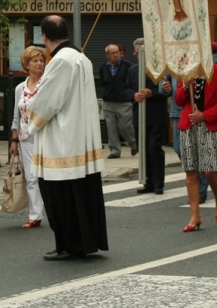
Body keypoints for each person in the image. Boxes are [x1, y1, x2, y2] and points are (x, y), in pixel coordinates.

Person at [27, 15, 108, 259]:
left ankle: (70, 244)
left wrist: (31, 121)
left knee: (59, 195)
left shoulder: (61, 61)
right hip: (79, 136)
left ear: (44, 37)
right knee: (79, 193)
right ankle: (83, 241)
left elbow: (48, 102)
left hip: (61, 140)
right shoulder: (81, 57)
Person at [175, 62, 217, 232]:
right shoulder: (185, 70)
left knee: (209, 170)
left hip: (209, 124)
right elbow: (179, 100)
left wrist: (205, 115)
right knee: (191, 171)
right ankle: (195, 215)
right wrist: (185, 86)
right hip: (189, 123)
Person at [127, 38, 172, 195]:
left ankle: (158, 183)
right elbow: (125, 89)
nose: (142, 56)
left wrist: (151, 93)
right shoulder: (132, 70)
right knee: (143, 149)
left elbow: (167, 90)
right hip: (139, 115)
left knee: (154, 148)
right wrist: (134, 96)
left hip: (156, 115)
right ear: (136, 54)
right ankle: (148, 182)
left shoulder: (160, 69)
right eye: (139, 53)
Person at [8, 46, 47, 228]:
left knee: (48, 176)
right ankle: (35, 214)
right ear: (26, 64)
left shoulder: (47, 83)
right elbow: (16, 114)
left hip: (45, 134)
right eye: (35, 61)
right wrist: (14, 139)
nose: (39, 63)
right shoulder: (19, 88)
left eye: (41, 60)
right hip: (26, 136)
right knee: (31, 177)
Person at [99, 44, 137, 159]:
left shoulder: (127, 66)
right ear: (107, 55)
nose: (116, 55)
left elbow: (132, 82)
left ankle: (133, 143)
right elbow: (103, 83)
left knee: (125, 126)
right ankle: (115, 150)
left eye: (117, 52)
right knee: (111, 127)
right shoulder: (103, 68)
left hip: (124, 102)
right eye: (113, 53)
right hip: (108, 102)